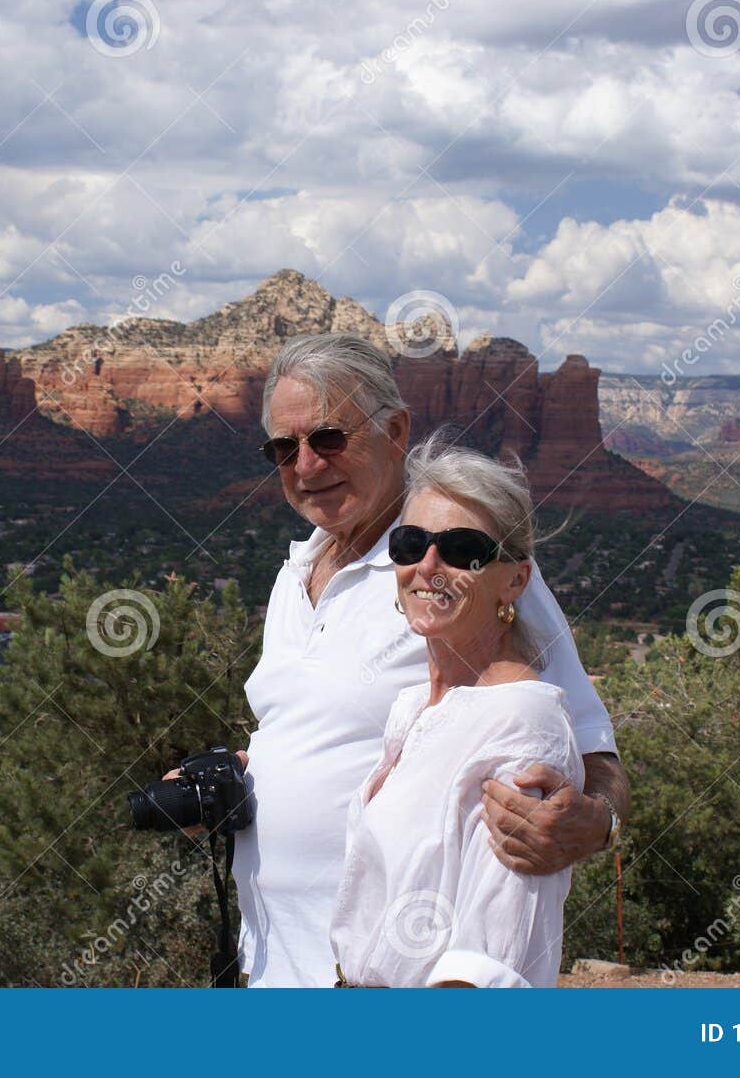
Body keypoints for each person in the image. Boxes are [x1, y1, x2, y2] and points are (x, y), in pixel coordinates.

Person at [232, 332, 629, 987]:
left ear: (396, 430)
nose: (306, 465)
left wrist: (596, 821)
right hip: (272, 965)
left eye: (328, 439)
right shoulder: (295, 570)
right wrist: (250, 780)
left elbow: (590, 747)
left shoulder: (460, 567)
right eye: (283, 448)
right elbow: (328, 737)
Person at [329, 434, 581, 987]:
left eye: (464, 549)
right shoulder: (414, 706)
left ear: (515, 579)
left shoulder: (522, 724)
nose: (429, 566)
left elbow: (490, 962)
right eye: (411, 543)